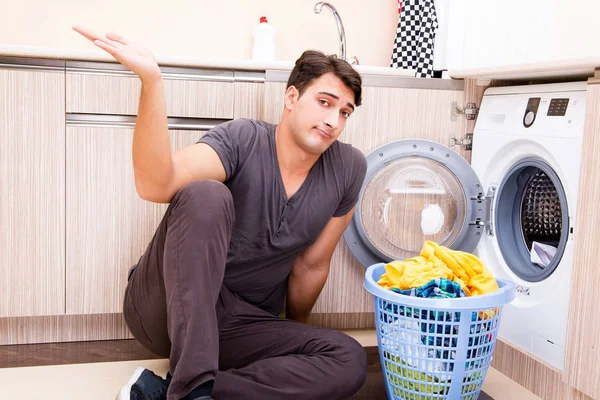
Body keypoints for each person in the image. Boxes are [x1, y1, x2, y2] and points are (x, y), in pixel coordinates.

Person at [73, 26, 368, 400]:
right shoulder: (243, 139)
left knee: (349, 358)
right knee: (205, 194)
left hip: (239, 323)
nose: (334, 121)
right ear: (292, 97)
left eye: (345, 112)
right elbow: (156, 184)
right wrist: (152, 82)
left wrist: (293, 340)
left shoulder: (349, 168)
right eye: (325, 103)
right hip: (164, 308)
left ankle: (172, 391)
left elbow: (311, 266)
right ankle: (193, 387)